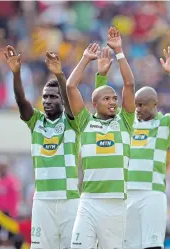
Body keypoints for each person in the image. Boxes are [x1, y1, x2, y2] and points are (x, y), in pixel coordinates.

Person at [95, 46, 170, 249]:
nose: (137, 109)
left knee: (152, 245)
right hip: (127, 193)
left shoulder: (165, 124)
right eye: (136, 104)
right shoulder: (127, 124)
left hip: (152, 193)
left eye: (142, 105)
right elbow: (100, 109)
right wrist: (101, 76)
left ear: (155, 104)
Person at [4, 45, 80, 249]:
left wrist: (59, 74)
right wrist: (16, 73)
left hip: (68, 200)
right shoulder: (36, 121)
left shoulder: (72, 122)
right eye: (45, 96)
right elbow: (21, 101)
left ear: (62, 102)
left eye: (53, 97)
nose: (47, 100)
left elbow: (71, 103)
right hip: (42, 202)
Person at [66, 27, 135, 249]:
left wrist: (120, 52)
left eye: (114, 98)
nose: (113, 101)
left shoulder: (124, 122)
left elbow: (129, 85)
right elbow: (70, 86)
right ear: (94, 104)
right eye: (107, 98)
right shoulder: (84, 122)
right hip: (88, 202)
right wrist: (85, 59)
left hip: (115, 204)